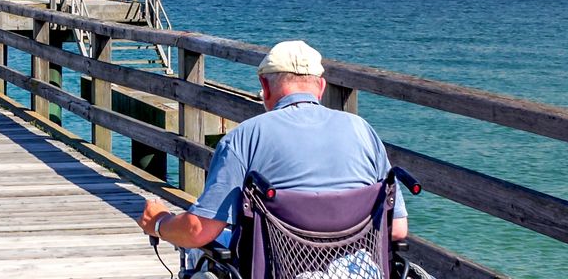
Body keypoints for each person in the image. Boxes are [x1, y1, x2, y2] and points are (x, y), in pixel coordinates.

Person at [138, 41, 408, 260]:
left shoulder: (244, 137)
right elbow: (396, 229)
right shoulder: (363, 131)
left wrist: (159, 222)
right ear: (321, 87)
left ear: (265, 87)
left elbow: (199, 231)